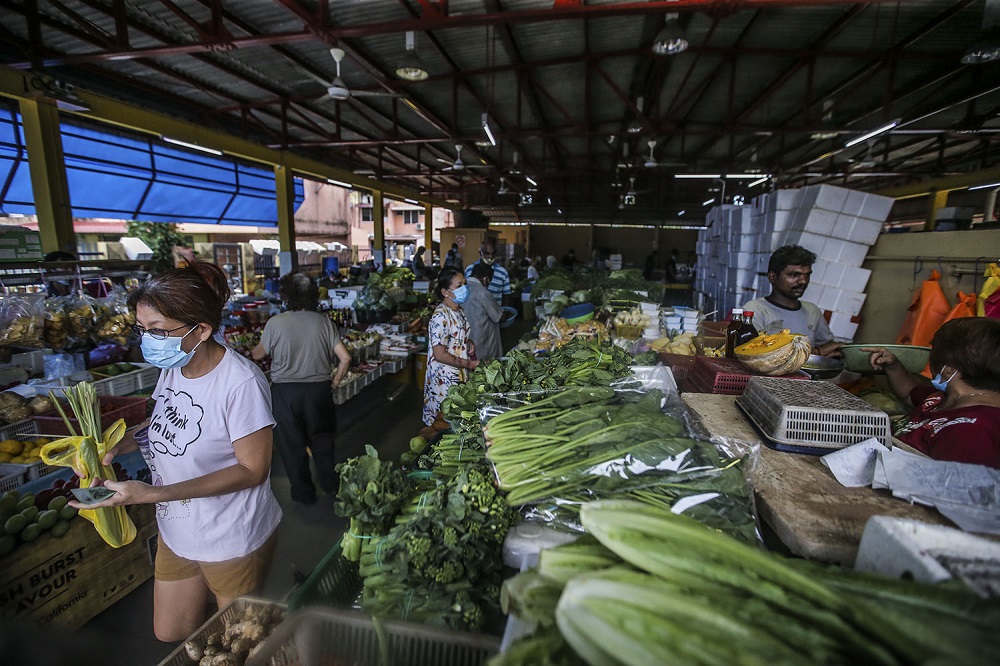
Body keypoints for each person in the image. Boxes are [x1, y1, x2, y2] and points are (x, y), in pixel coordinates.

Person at [71, 262, 281, 642]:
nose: (148, 340)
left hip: (230, 533)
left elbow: (254, 470)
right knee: (171, 631)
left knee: (242, 642)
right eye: (142, 329)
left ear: (201, 329)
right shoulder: (174, 367)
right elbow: (161, 423)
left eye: (157, 331)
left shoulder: (241, 382)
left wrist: (153, 494)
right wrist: (122, 443)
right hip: (178, 527)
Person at [251, 273, 352, 506]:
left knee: (292, 446)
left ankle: (303, 493)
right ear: (314, 294)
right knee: (323, 442)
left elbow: (257, 355)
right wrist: (334, 383)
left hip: (286, 395)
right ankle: (330, 485)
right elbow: (345, 358)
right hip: (318, 392)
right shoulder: (324, 322)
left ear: (286, 295)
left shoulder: (275, 323)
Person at [865, 318, 1000, 468]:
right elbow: (910, 392)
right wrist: (893, 366)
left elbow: (943, 486)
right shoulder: (945, 398)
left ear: (949, 370)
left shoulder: (974, 432)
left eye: (933, 354)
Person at [742, 245, 840, 356]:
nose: (803, 281)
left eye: (806, 275)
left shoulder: (812, 311)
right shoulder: (754, 310)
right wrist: (816, 352)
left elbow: (829, 347)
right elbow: (751, 352)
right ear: (772, 277)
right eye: (794, 275)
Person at [423, 268, 479, 427]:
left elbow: (458, 337)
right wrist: (469, 364)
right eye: (459, 285)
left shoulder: (458, 311)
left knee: (454, 419)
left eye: (465, 284)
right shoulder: (440, 316)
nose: (465, 289)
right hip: (444, 380)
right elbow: (439, 354)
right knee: (442, 422)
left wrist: (468, 343)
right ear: (445, 292)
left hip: (458, 375)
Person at [462, 262, 504, 362]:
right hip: (482, 342)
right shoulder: (483, 292)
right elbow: (498, 316)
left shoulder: (462, 290)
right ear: (485, 278)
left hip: (466, 340)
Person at [464, 240, 512, 306]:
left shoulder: (502, 272)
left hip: (496, 313)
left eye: (493, 253)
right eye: (487, 253)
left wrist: (504, 313)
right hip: (475, 313)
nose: (490, 257)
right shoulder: (470, 269)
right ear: (480, 253)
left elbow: (506, 295)